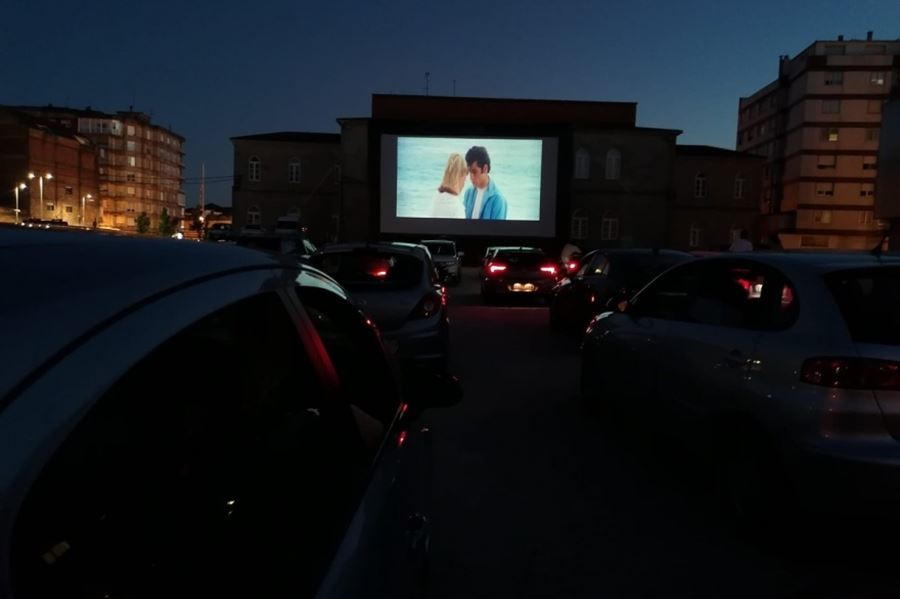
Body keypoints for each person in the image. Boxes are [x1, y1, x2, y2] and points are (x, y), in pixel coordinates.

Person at [463, 146, 507, 220]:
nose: (471, 177)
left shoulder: (498, 200)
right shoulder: (468, 193)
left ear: (485, 168)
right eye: (469, 172)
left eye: (474, 172)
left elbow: (498, 231)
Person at [430, 153, 467, 218]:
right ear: (460, 175)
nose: (464, 182)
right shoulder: (458, 208)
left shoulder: (435, 197)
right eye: (465, 178)